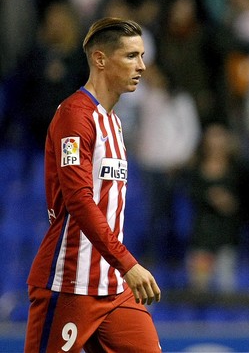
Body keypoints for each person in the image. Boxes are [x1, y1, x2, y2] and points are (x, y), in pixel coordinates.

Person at [24, 17, 162, 352]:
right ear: (100, 59)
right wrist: (129, 263)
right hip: (70, 282)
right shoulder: (74, 116)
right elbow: (79, 201)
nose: (142, 66)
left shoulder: (113, 123)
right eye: (131, 56)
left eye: (142, 56)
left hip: (113, 287)